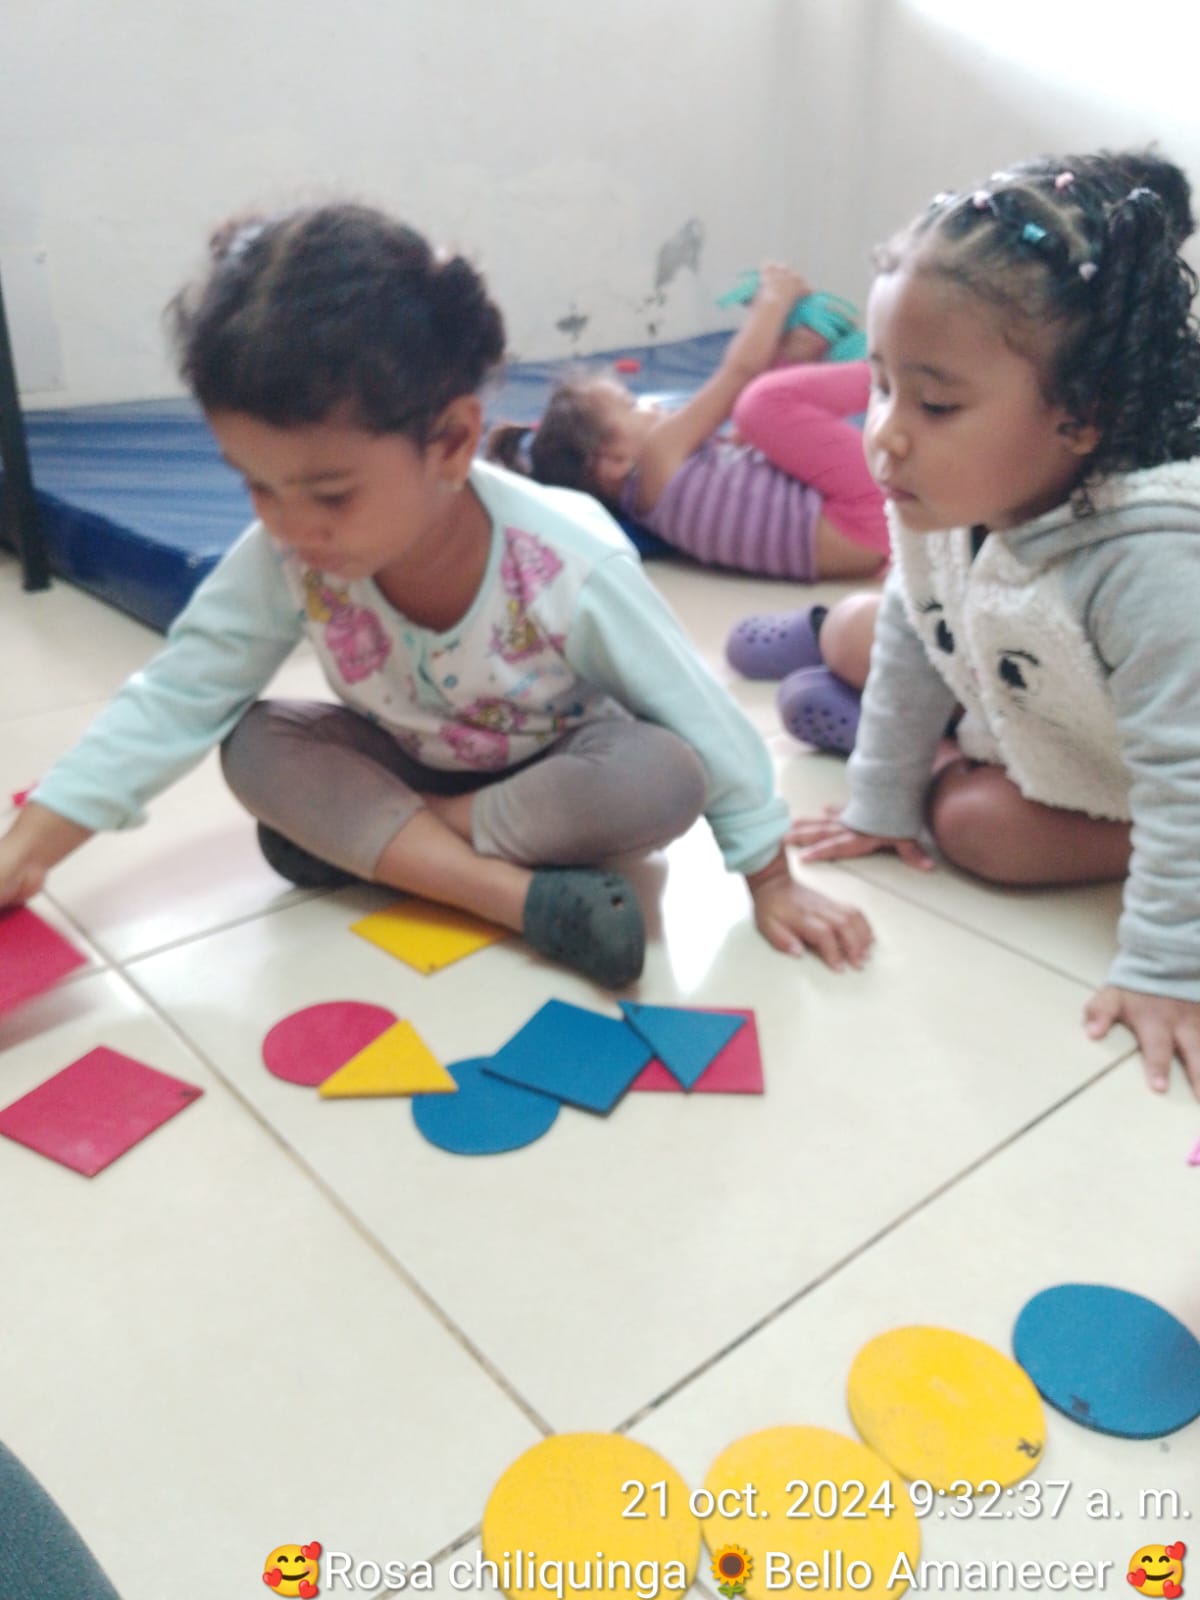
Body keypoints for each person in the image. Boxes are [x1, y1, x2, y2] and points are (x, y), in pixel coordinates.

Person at [0, 205, 873, 989]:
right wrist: (35, 841)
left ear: (452, 442)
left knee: (663, 774)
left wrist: (771, 878)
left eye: (330, 493)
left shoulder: (568, 560)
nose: (289, 525)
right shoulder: (286, 552)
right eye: (255, 485)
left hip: (560, 780)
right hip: (405, 757)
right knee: (254, 742)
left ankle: (384, 842)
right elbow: (182, 690)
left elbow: (697, 712)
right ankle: (513, 900)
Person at [783, 148, 1200, 1098]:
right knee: (860, 630)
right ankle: (878, 702)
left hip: (1150, 766)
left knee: (975, 828)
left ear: (1083, 416)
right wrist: (877, 800)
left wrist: (1167, 964)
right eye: (879, 385)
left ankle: (947, 755)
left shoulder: (1152, 563)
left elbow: (1185, 771)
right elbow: (913, 623)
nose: (886, 434)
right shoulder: (948, 485)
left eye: (935, 403)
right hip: (1032, 691)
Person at [487, 263, 889, 583]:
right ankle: (894, 370)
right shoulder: (658, 458)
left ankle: (802, 355)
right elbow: (738, 374)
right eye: (631, 405)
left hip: (860, 539)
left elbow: (757, 453)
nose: (651, 408)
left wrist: (783, 361)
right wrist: (771, 301)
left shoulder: (660, 502)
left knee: (753, 423)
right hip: (859, 513)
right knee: (758, 405)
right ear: (614, 461)